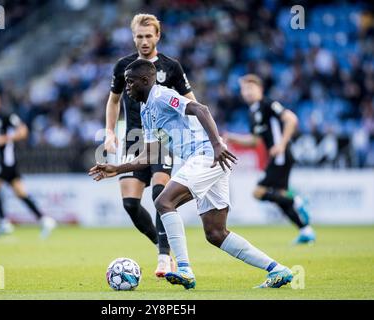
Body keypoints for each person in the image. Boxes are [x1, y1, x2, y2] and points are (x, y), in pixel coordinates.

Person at [90, 60, 294, 289]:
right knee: (216, 233)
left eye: (130, 82)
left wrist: (217, 145)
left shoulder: (162, 95)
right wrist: (117, 168)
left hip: (207, 155)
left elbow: (200, 109)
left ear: (146, 80)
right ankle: (278, 270)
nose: (126, 88)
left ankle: (184, 269)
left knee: (164, 201)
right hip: (207, 160)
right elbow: (150, 154)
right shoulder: (146, 109)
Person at [104, 13, 196, 277]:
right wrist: (110, 132)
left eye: (148, 36)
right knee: (130, 204)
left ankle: (165, 258)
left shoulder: (171, 66)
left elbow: (191, 100)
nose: (144, 41)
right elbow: (113, 101)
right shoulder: (124, 66)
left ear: (158, 36)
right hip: (133, 137)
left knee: (159, 195)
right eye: (139, 36)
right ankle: (161, 242)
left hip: (163, 138)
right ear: (133, 37)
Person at [224, 74, 316, 244]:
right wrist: (232, 137)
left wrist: (281, 144)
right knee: (279, 197)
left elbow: (291, 119)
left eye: (251, 88)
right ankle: (306, 230)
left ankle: (297, 199)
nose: (247, 92)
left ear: (260, 89)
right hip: (277, 156)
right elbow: (254, 141)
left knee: (258, 192)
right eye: (244, 89)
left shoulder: (268, 104)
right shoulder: (253, 112)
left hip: (281, 155)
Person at [0, 87, 57, 239]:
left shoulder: (6, 116)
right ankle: (45, 220)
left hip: (7, 162)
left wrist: (6, 138)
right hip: (4, 162)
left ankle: (4, 223)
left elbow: (23, 130)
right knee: (21, 193)